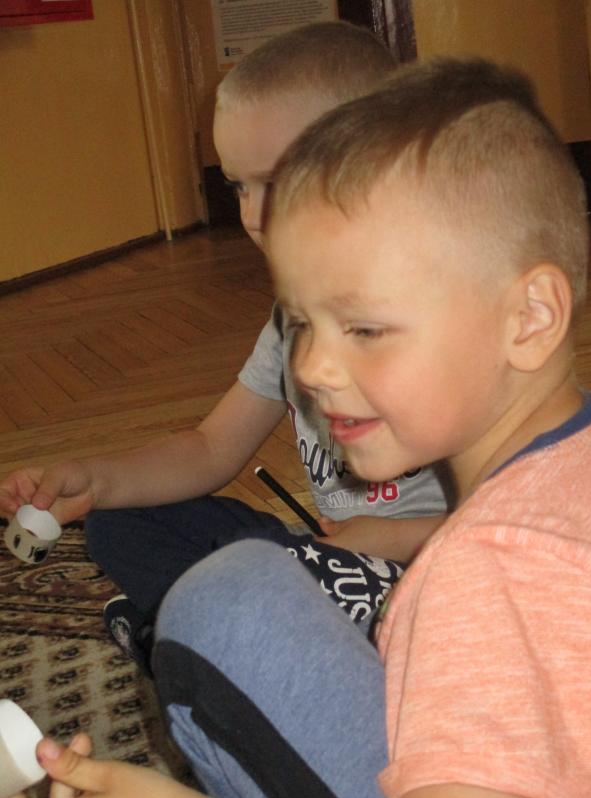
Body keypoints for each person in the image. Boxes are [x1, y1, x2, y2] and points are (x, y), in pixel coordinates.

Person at [3, 54, 591, 798]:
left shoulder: (491, 569)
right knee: (204, 567)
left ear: (531, 317)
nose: (310, 368)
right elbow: (208, 447)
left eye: (364, 328)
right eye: (302, 325)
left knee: (222, 604)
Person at [0, 22, 447, 671]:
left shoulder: (444, 324)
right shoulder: (290, 322)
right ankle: (208, 627)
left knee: (284, 579)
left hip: (439, 568)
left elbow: (530, 512)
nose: (251, 216)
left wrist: (401, 538)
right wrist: (95, 478)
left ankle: (205, 629)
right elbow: (211, 448)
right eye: (239, 186)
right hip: (326, 555)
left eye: (278, 181)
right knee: (122, 520)